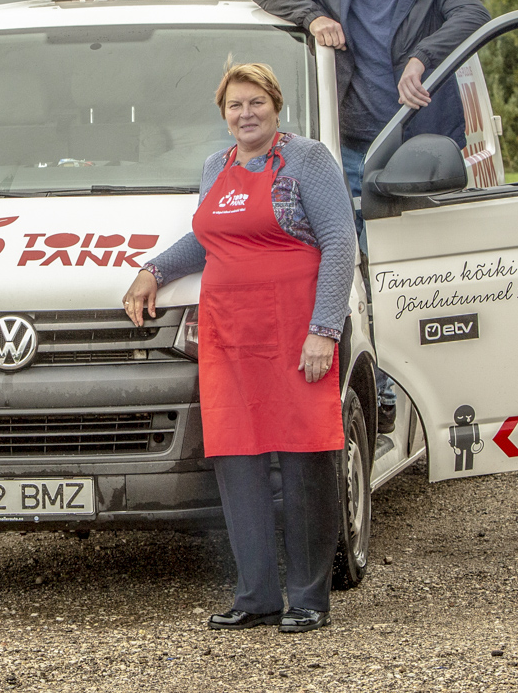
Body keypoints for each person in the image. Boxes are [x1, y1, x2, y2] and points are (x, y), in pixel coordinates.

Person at [122, 63, 355, 634]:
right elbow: (202, 239)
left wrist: (324, 329)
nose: (245, 114)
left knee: (304, 460)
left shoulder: (307, 160)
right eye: (234, 106)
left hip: (298, 333)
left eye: (255, 103)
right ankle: (256, 595)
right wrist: (152, 271)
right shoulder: (215, 168)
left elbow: (340, 242)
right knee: (238, 462)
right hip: (230, 338)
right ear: (223, 113)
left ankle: (308, 596)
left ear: (276, 105)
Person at [250, 0, 491, 431]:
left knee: (417, 275)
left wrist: (423, 57)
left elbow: (476, 17)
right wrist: (312, 17)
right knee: (357, 273)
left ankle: (439, 399)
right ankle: (377, 390)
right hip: (353, 150)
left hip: (417, 151)